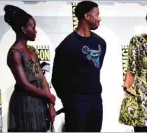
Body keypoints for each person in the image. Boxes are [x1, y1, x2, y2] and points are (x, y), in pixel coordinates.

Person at [51, 1, 106, 132]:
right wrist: (69, 101)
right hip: (76, 103)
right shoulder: (67, 45)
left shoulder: (101, 43)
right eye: (97, 14)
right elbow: (56, 79)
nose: (99, 18)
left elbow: (95, 69)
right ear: (87, 16)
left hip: (96, 100)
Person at [4, 5, 56, 132]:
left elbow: (42, 79)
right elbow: (24, 84)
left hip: (39, 102)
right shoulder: (15, 53)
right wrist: (48, 96)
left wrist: (51, 104)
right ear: (23, 29)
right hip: (24, 103)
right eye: (32, 27)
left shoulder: (32, 50)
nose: (35, 31)